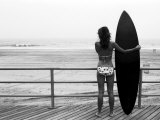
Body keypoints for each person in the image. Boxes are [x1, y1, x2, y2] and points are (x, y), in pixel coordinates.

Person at [95, 26, 141, 117]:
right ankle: (111, 112)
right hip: (110, 68)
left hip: (100, 67)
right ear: (108, 34)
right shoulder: (112, 44)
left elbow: (98, 52)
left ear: (99, 35)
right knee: (110, 92)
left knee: (100, 92)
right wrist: (135, 48)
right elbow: (124, 51)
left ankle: (99, 112)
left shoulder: (97, 44)